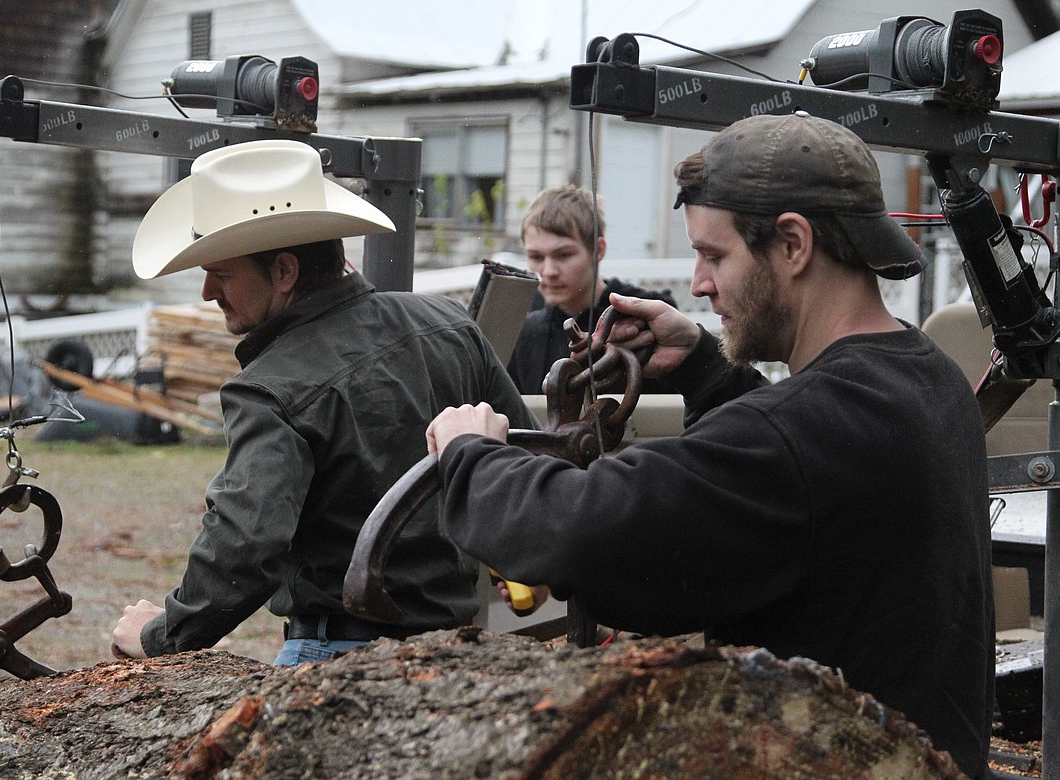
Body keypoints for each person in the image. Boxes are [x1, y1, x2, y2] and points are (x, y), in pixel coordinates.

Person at [425, 112, 994, 778]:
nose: (698, 283)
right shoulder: (929, 378)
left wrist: (471, 459)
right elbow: (802, 487)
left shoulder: (805, 433)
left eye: (714, 254)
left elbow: (587, 532)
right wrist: (702, 365)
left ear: (792, 244)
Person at [110, 139, 535, 666]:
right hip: (455, 650)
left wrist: (159, 636)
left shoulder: (268, 389)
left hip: (339, 651)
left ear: (284, 271)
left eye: (220, 273)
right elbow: (528, 461)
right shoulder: (451, 326)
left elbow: (243, 548)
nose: (206, 293)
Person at [506, 184, 678, 394]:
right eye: (536, 257)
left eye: (564, 255)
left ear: (599, 250)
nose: (549, 271)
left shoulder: (645, 316)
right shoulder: (523, 332)